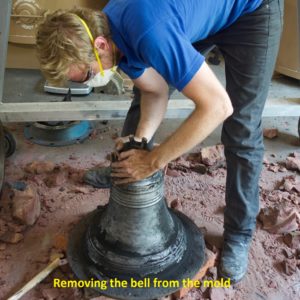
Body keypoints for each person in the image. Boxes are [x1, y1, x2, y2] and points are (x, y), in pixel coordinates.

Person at [36, 0, 283, 283]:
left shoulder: (148, 33)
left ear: (101, 45)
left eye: (88, 74)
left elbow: (218, 106)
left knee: (242, 127)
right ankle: (127, 170)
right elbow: (155, 92)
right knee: (144, 94)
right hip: (194, 13)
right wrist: (139, 142)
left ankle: (239, 234)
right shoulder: (112, 33)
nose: (90, 82)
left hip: (251, 12)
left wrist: (155, 160)